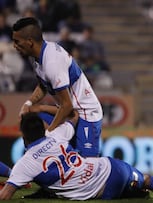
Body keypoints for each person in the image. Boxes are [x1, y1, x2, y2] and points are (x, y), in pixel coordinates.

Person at [0, 110, 153, 200]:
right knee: (146, 179)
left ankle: (134, 191)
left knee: (127, 193)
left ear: (23, 136)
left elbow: (5, 195)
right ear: (43, 128)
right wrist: (43, 107)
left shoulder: (25, 164)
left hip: (102, 189)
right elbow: (75, 116)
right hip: (111, 166)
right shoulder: (57, 135)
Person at [12, 17, 103, 157]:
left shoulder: (52, 62)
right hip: (69, 112)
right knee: (32, 120)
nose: (14, 45)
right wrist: (28, 103)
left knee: (87, 165)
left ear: (29, 42)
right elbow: (43, 85)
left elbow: (67, 105)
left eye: (17, 41)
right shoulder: (37, 56)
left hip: (86, 113)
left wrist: (50, 133)